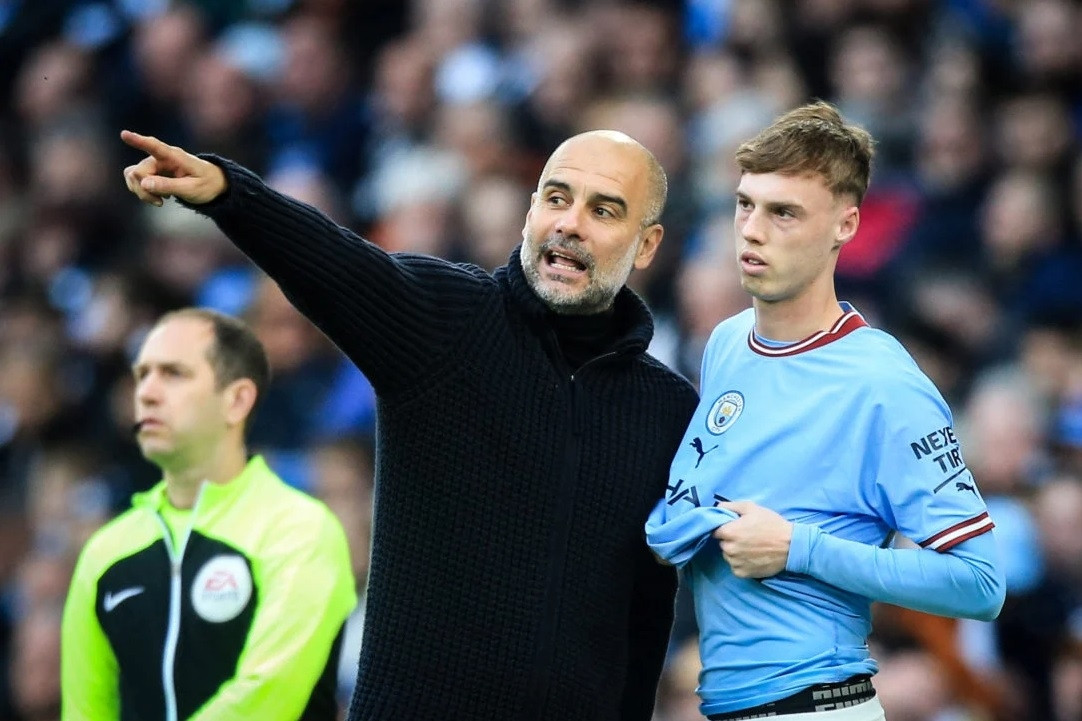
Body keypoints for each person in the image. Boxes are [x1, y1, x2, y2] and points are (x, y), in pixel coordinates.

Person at [119, 128, 699, 720]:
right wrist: (225, 192)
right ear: (530, 212)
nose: (569, 223)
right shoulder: (451, 323)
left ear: (647, 244)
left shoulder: (668, 410)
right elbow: (334, 264)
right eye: (556, 197)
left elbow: (645, 619)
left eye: (603, 210)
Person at [645, 101, 1005, 721]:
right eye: (745, 204)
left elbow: (980, 584)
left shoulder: (885, 383)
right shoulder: (727, 344)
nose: (752, 230)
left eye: (784, 212)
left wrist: (799, 548)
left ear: (846, 224)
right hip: (721, 706)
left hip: (819, 706)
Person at [61, 308, 357, 720]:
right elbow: (84, 711)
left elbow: (268, 698)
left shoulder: (299, 529)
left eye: (173, 374)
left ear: (236, 400)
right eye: (142, 374)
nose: (146, 392)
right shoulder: (106, 550)